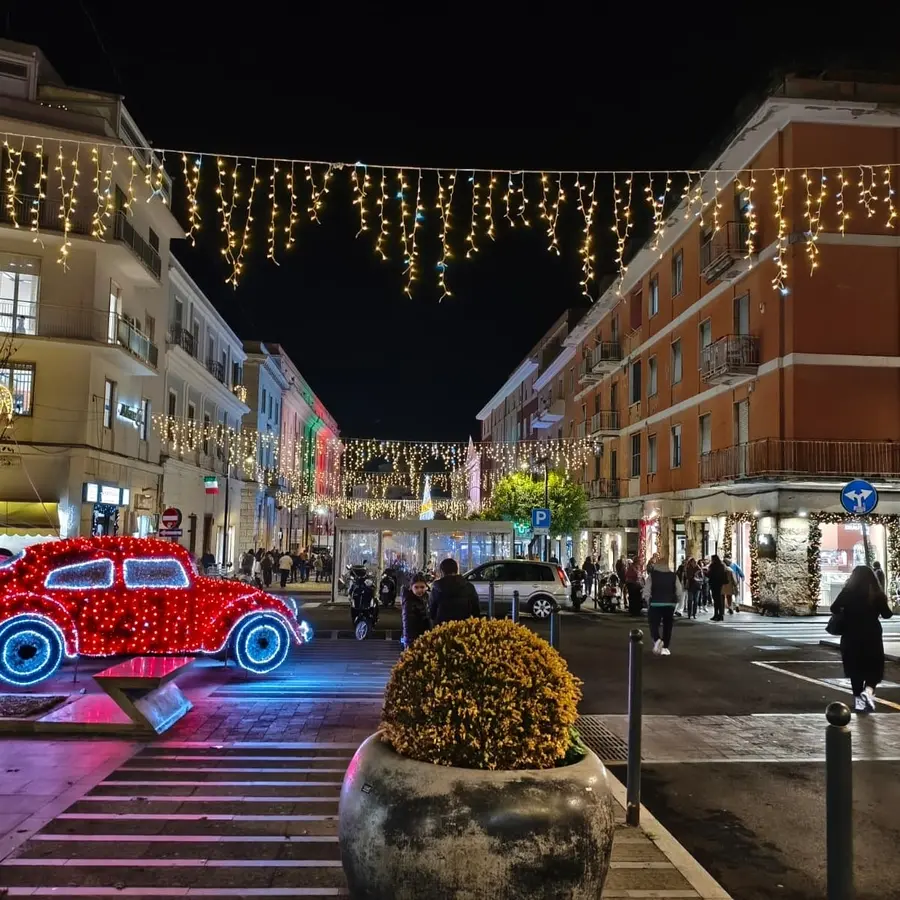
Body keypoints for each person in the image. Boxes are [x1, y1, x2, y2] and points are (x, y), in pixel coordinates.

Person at [832, 565, 893, 713]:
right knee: (874, 668)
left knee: (855, 670)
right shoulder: (876, 594)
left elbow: (834, 608)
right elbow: (887, 614)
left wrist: (846, 612)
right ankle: (869, 691)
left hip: (851, 634)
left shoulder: (848, 592)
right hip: (872, 635)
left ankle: (859, 703)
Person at [643, 554, 682, 655]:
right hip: (669, 604)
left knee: (653, 624)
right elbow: (679, 591)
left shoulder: (652, 576)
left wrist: (648, 601)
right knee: (667, 625)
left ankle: (657, 639)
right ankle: (665, 647)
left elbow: (647, 590)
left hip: (655, 603)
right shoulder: (674, 576)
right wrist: (676, 601)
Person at [429, 557, 481, 624]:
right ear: (457, 570)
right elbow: (476, 609)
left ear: (442, 571)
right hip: (463, 626)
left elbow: (432, 612)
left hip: (442, 627)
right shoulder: (468, 586)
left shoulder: (437, 588)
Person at [401, 572, 431, 649]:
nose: (419, 590)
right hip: (414, 640)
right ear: (411, 587)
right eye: (416, 587)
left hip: (425, 637)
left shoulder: (426, 598)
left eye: (422, 587)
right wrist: (409, 643)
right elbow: (407, 623)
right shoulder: (409, 601)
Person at [707, 555, 728, 621]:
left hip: (714, 584)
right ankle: (720, 615)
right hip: (720, 584)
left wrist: (705, 573)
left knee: (716, 600)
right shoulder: (722, 566)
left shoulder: (713, 566)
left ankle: (716, 614)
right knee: (719, 600)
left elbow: (710, 575)